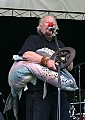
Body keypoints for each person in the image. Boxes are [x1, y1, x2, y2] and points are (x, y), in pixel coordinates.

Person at [18, 15, 73, 120]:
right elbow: (26, 55)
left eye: (53, 23)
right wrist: (46, 61)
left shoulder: (59, 44)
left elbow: (69, 68)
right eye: (48, 22)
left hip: (58, 92)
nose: (51, 25)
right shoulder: (33, 39)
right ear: (40, 26)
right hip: (39, 92)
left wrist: (69, 60)